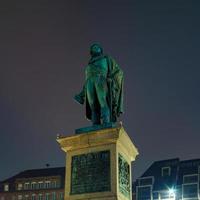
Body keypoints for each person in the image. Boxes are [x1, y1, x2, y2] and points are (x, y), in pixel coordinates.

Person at [74, 43, 124, 125]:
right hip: (89, 82)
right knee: (93, 105)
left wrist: (111, 78)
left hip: (100, 80)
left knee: (102, 101)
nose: (95, 47)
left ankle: (106, 122)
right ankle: (95, 123)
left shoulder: (106, 58)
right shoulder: (90, 63)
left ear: (101, 50)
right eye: (93, 47)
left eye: (97, 47)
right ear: (91, 52)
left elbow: (118, 71)